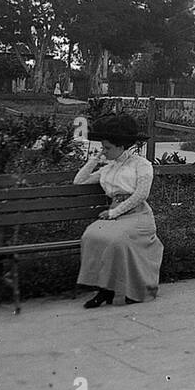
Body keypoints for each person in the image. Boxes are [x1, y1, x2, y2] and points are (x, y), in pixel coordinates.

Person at [74, 113, 163, 308]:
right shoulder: (108, 168)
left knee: (116, 240)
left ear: (121, 146)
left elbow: (141, 195)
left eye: (107, 148)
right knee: (90, 236)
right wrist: (94, 160)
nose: (104, 151)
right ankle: (104, 290)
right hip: (115, 216)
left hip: (138, 216)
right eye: (102, 147)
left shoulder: (142, 165)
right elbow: (79, 181)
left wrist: (114, 213)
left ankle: (131, 289)